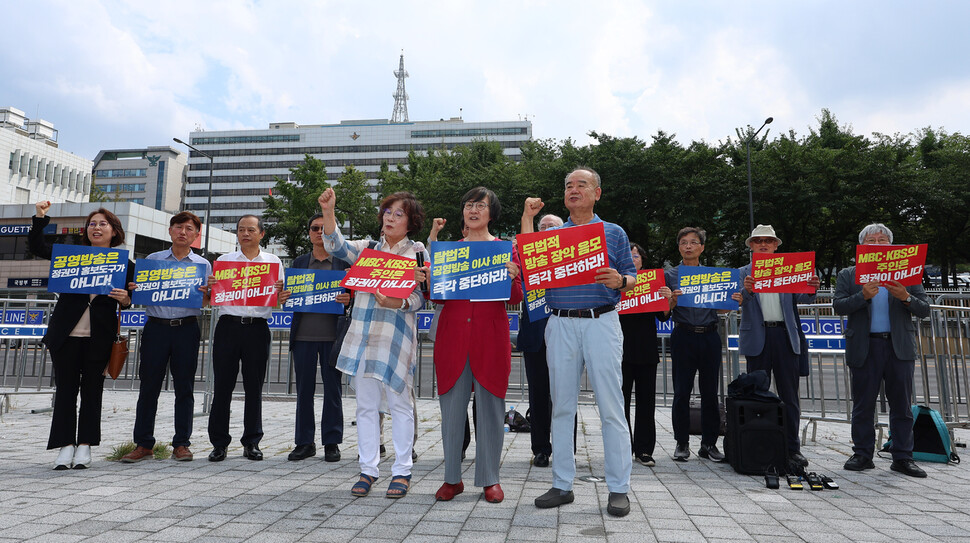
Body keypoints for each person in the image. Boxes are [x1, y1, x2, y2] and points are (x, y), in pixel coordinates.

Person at [523, 167, 637, 518]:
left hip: (601, 320)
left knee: (611, 406)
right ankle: (562, 483)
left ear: (597, 193)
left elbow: (632, 278)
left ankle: (619, 488)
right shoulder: (555, 236)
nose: (574, 190)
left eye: (581, 185)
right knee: (562, 405)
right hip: (560, 323)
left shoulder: (613, 232)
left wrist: (620, 280)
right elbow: (530, 262)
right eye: (568, 185)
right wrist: (528, 217)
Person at [415, 187, 523, 504]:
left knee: (491, 410)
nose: (473, 210)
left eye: (480, 205)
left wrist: (514, 277)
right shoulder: (448, 252)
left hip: (490, 338)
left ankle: (490, 479)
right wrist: (428, 279)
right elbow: (435, 296)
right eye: (468, 205)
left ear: (492, 213)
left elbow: (516, 298)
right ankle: (452, 478)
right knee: (451, 411)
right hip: (452, 338)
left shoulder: (506, 250)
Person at [319, 187, 426, 499]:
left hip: (395, 338)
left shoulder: (416, 251)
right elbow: (336, 245)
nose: (390, 218)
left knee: (400, 405)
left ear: (411, 222)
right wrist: (329, 212)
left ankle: (402, 471)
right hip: (363, 337)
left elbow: (421, 296)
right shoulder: (368, 249)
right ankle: (368, 469)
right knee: (366, 406)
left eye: (398, 214)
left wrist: (398, 303)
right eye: (387, 212)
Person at [28, 201, 134, 470]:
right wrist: (41, 217)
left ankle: (85, 445)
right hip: (66, 335)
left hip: (100, 336)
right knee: (65, 391)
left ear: (114, 231)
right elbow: (38, 247)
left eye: (103, 224)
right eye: (92, 224)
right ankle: (65, 446)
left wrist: (126, 299)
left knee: (92, 392)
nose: (96, 228)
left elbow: (135, 295)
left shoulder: (124, 263)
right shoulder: (71, 256)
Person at [833, 223, 930, 478]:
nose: (877, 244)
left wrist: (905, 296)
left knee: (902, 405)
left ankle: (903, 457)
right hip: (865, 346)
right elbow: (838, 306)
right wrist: (862, 296)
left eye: (882, 239)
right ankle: (863, 454)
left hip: (898, 346)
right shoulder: (849, 274)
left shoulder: (907, 272)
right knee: (863, 404)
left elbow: (924, 308)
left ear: (891, 245)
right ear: (863, 246)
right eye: (871, 240)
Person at [121, 212, 211, 463]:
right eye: (178, 227)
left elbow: (206, 301)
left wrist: (208, 294)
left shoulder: (203, 265)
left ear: (196, 235)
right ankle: (143, 444)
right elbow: (139, 295)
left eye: (189, 228)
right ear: (170, 231)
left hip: (187, 328)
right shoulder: (152, 260)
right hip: (156, 328)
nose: (183, 232)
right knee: (149, 387)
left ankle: (181, 444)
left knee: (185, 388)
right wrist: (137, 290)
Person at [730, 225, 819, 469]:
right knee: (756, 392)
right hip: (758, 338)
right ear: (750, 246)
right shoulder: (741, 273)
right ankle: (757, 442)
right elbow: (736, 301)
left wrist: (812, 286)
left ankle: (792, 448)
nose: (763, 244)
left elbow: (803, 298)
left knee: (789, 395)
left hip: (784, 335)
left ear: (776, 245)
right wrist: (747, 290)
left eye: (768, 241)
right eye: (757, 241)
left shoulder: (790, 269)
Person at [206, 215, 285, 462]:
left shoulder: (273, 262)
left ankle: (252, 442)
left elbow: (278, 299)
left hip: (257, 328)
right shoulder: (224, 261)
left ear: (262, 234)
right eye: (241, 230)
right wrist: (210, 289)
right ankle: (219, 444)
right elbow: (211, 298)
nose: (245, 234)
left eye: (251, 229)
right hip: (228, 326)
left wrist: (283, 297)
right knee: (222, 387)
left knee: (254, 387)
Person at [284, 213, 351, 463]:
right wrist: (284, 298)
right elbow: (290, 296)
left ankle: (332, 442)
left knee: (333, 391)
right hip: (303, 336)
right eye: (315, 228)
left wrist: (349, 298)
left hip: (333, 336)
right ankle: (304, 442)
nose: (319, 233)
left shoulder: (343, 263)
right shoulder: (300, 262)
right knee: (304, 391)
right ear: (309, 232)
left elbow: (355, 296)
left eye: (325, 229)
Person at [516, 211, 573, 468]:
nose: (548, 229)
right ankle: (540, 448)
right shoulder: (527, 259)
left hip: (565, 335)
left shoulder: (570, 258)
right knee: (538, 397)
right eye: (543, 226)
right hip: (535, 338)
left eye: (554, 226)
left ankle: (566, 449)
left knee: (565, 396)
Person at [665, 227, 726, 463]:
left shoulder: (714, 275)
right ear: (679, 247)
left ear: (702, 247)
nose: (688, 246)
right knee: (681, 391)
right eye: (683, 242)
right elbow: (664, 309)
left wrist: (734, 300)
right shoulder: (670, 275)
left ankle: (709, 444)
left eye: (693, 242)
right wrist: (671, 300)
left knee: (710, 392)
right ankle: (681, 443)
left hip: (710, 335)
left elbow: (720, 308)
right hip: (683, 335)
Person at [620, 242, 671, 467]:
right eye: (628, 257)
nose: (633, 260)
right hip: (619, 351)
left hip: (646, 351)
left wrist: (667, 300)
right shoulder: (615, 284)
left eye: (636, 257)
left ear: (643, 260)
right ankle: (620, 449)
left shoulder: (651, 283)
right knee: (619, 404)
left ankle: (644, 450)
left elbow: (663, 317)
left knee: (646, 403)